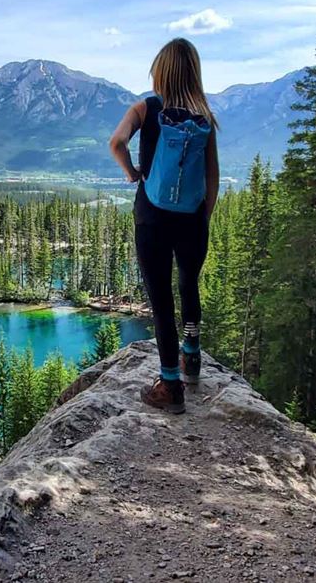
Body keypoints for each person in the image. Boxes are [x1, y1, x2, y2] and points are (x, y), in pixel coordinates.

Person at [108, 38, 219, 414]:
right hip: (192, 219)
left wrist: (132, 173)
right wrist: (201, 217)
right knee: (189, 284)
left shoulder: (146, 108)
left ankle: (169, 384)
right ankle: (192, 355)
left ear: (161, 71)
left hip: (151, 217)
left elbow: (116, 143)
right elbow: (212, 178)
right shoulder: (204, 117)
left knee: (160, 299)